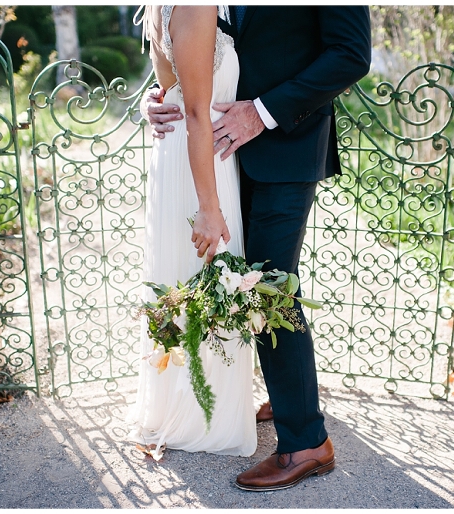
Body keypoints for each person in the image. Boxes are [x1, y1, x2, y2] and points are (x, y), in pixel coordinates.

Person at [144, 6, 372, 491]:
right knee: (234, 282)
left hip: (285, 143)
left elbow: (350, 54)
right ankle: (288, 398)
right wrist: (164, 97)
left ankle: (306, 442)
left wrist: (261, 113)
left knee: (269, 288)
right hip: (221, 151)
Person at [129, 5, 256, 459]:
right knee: (205, 276)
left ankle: (186, 404)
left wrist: (155, 100)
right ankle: (206, 418)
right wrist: (208, 207)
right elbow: (198, 113)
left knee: (188, 280)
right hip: (200, 165)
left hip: (189, 154)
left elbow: (172, 87)